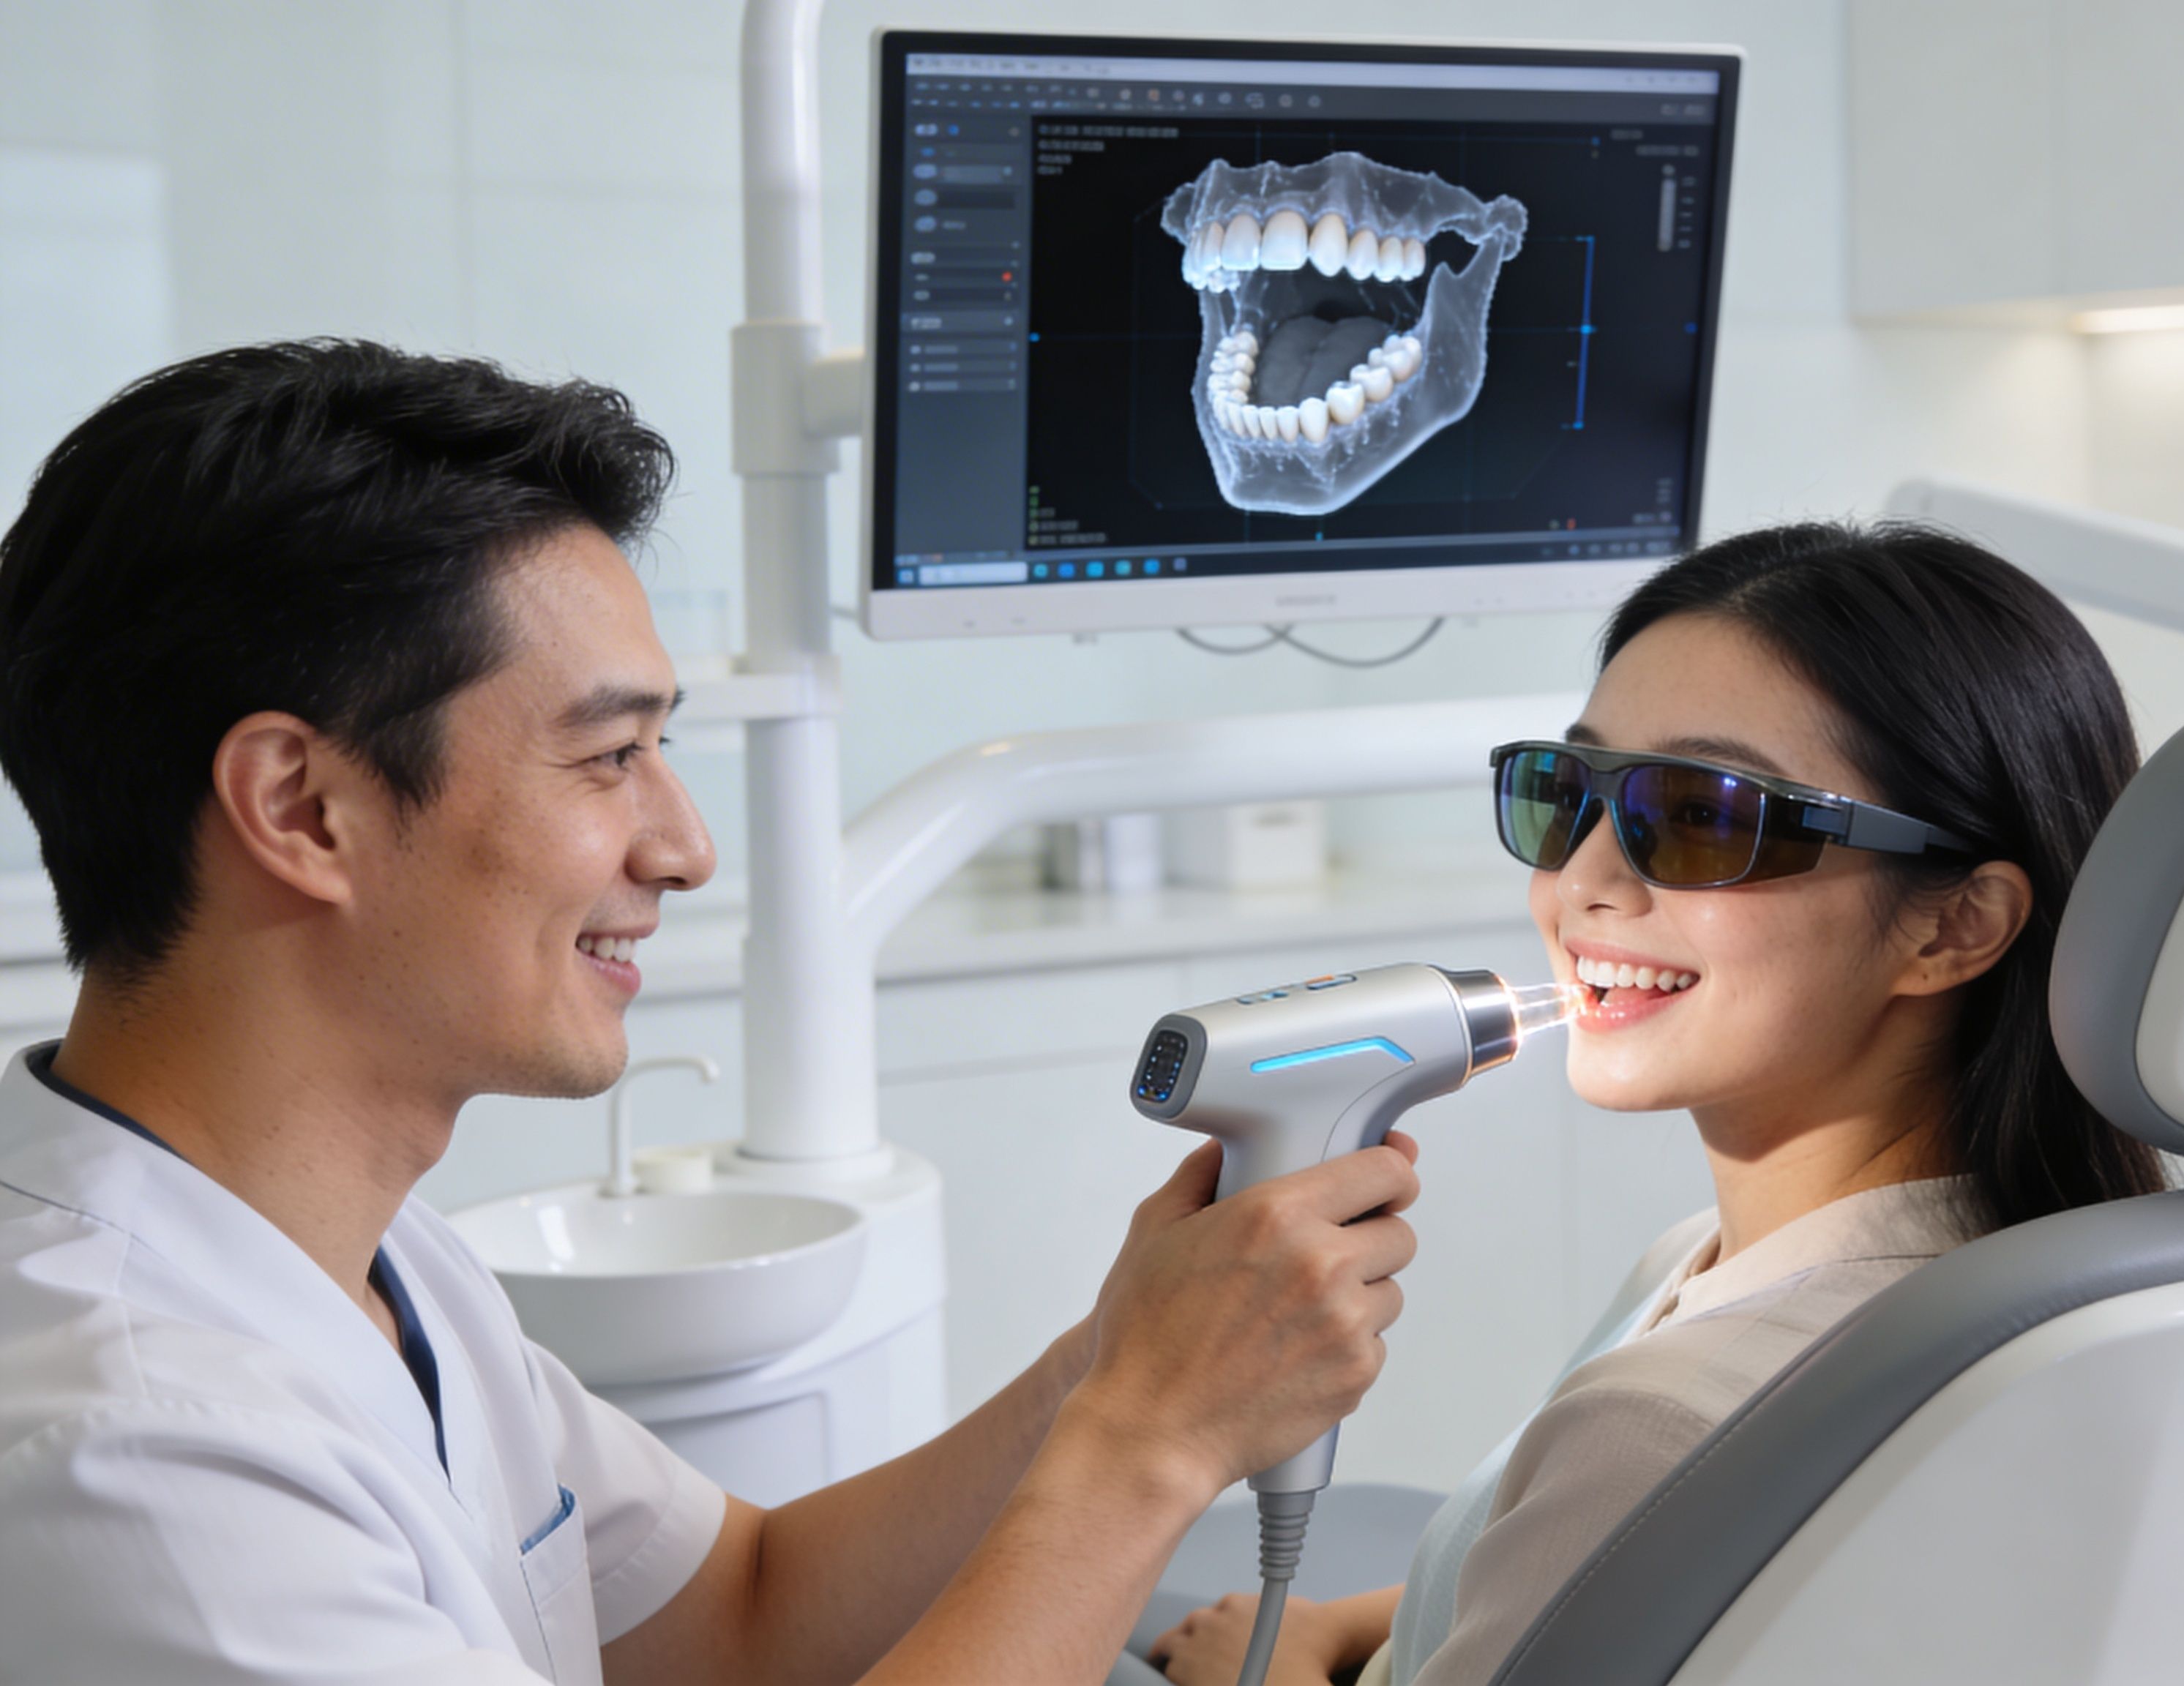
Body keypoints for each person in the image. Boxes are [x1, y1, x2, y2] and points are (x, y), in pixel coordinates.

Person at [0, 340, 1421, 1685]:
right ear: (302, 809)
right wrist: (1150, 1443)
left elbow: (744, 1613)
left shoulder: (370, 1264)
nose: (683, 848)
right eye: (611, 756)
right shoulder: (136, 1454)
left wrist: (1115, 1358)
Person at [1147, 521, 2164, 1686]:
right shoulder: (2040, 1280)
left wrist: (1261, 1670)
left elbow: (1635, 1509)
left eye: (1701, 815)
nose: (1580, 881)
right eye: (1564, 791)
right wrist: (1339, 1626)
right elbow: (1628, 1573)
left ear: (1954, 925)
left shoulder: (1665, 1422)